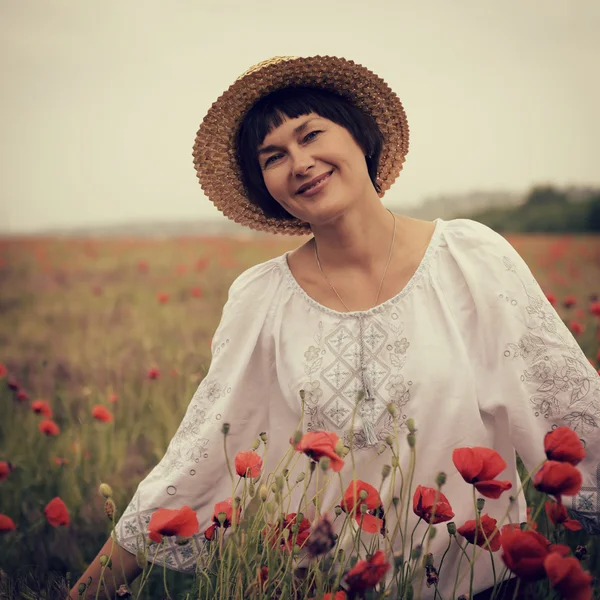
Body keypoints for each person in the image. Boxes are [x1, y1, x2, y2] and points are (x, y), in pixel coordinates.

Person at [70, 56, 599, 599]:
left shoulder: (470, 261)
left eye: (311, 134)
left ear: (361, 138)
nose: (299, 163)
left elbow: (575, 415)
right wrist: (82, 592)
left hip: (482, 586)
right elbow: (199, 455)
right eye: (274, 156)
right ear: (264, 186)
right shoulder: (263, 299)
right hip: (320, 587)